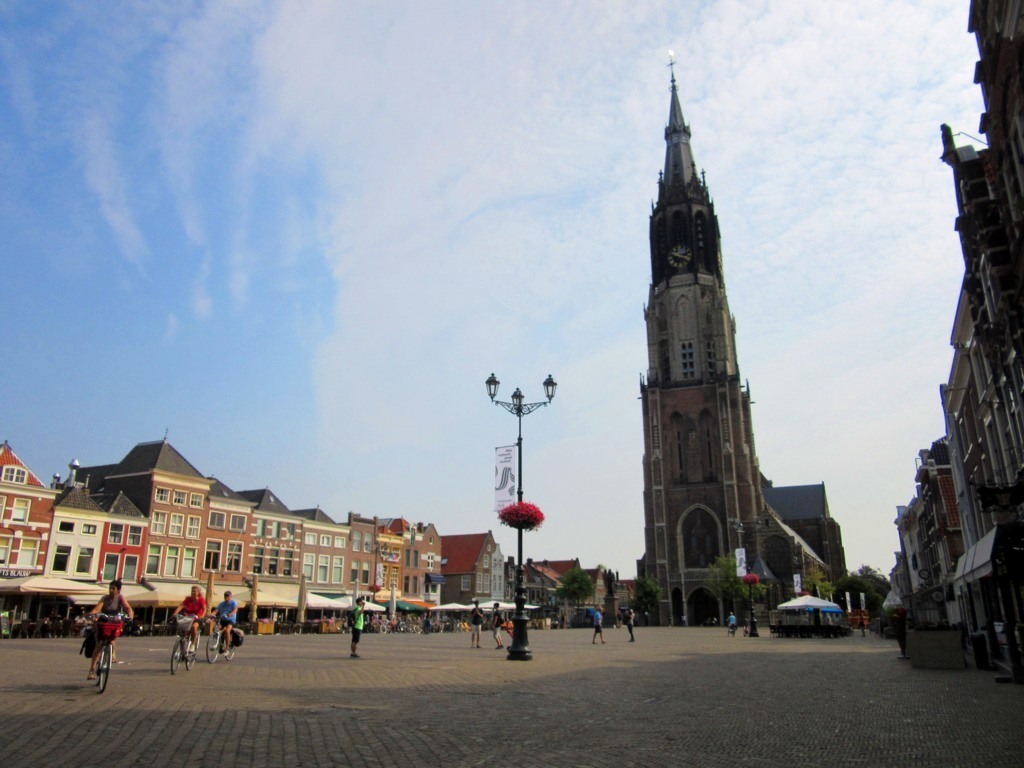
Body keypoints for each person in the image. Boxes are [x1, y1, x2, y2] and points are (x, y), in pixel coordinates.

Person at [87, 579, 134, 680]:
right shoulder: (104, 598)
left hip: (114, 622)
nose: (111, 590)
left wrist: (130, 615)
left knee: (113, 637)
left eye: (113, 589)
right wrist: (92, 614)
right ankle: (92, 670)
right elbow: (97, 609)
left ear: (118, 590)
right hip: (103, 621)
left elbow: (127, 607)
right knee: (98, 646)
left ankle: (112, 654)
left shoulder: (120, 598)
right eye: (110, 588)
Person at [170, 585, 207, 655]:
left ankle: (193, 644)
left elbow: (204, 609)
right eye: (192, 591)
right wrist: (175, 613)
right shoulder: (188, 599)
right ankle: (183, 648)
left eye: (194, 591)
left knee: (194, 627)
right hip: (188, 616)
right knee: (183, 630)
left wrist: (202, 615)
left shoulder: (201, 600)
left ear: (198, 592)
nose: (193, 593)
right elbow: (181, 606)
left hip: (197, 617)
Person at [214, 590, 238, 657]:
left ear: (231, 596)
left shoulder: (233, 603)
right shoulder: (222, 604)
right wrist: (211, 615)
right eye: (225, 595)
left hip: (230, 620)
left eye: (227, 596)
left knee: (227, 631)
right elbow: (216, 610)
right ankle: (219, 644)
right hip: (223, 619)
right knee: (216, 629)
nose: (226, 597)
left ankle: (227, 648)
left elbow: (235, 610)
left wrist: (231, 614)